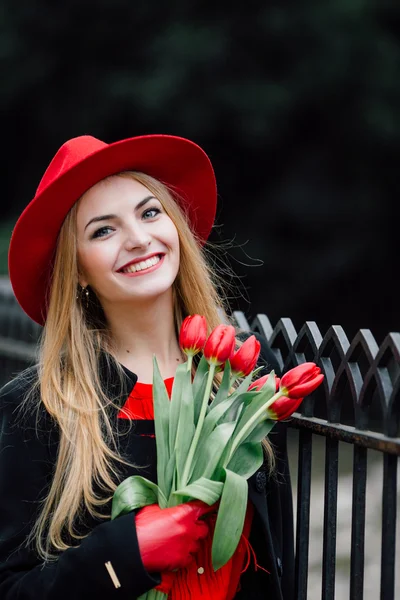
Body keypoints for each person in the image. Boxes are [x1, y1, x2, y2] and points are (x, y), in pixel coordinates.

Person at [0, 134, 294, 599]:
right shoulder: (38, 408)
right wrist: (123, 556)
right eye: (103, 230)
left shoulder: (243, 375)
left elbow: (276, 555)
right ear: (76, 269)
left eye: (149, 212)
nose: (138, 239)